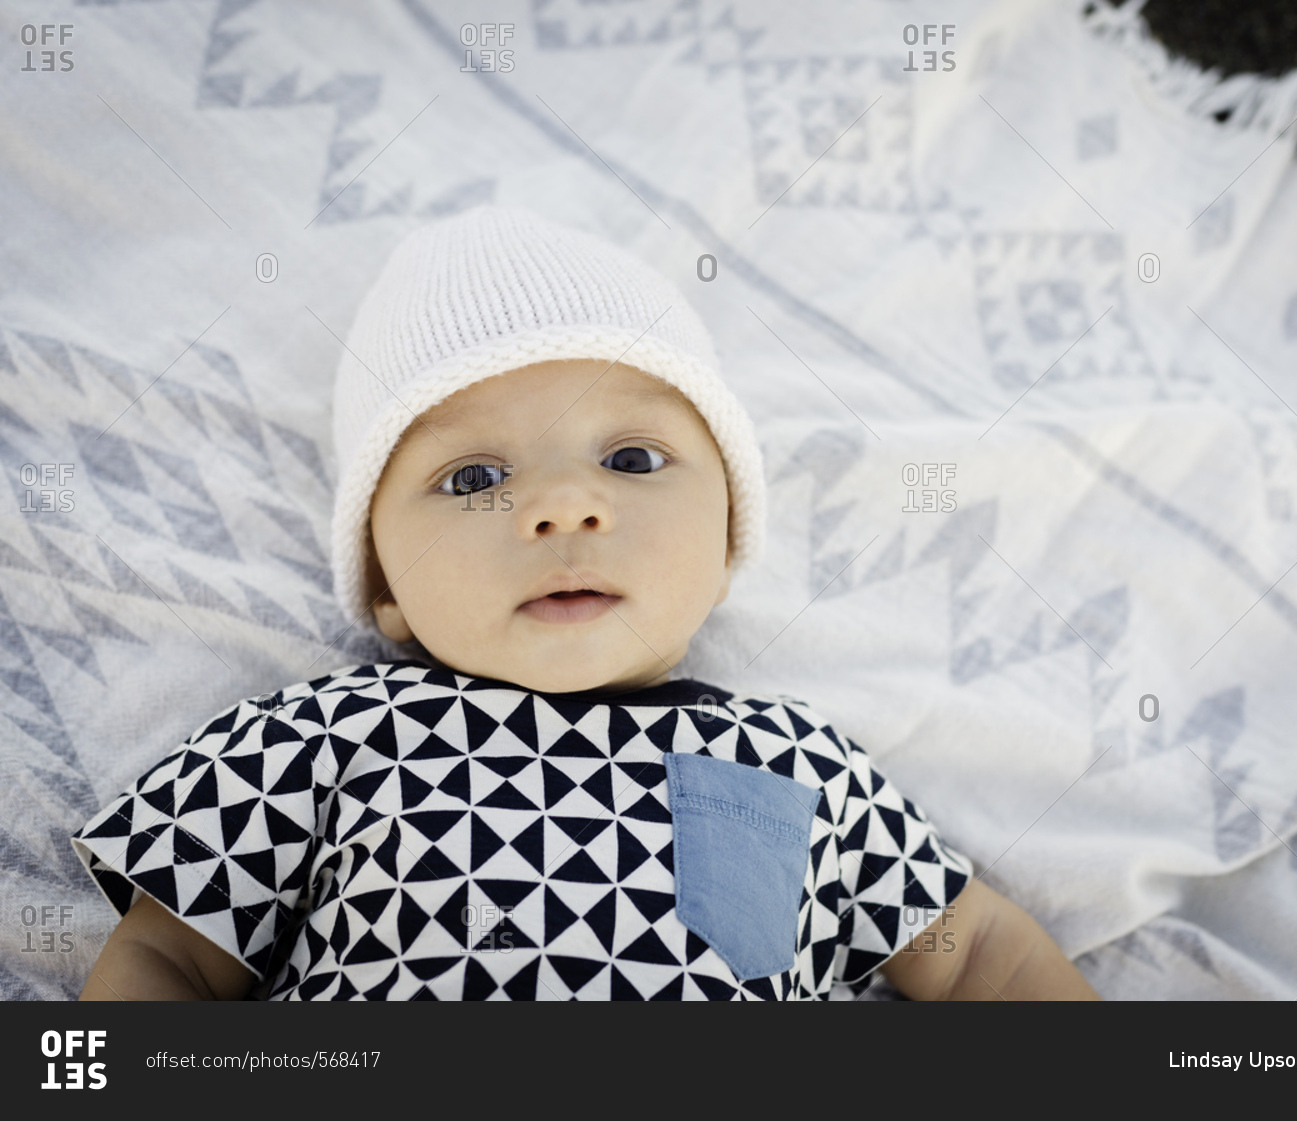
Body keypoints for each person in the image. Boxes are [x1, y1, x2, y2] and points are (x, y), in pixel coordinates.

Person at [74, 206, 1098, 1000]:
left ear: (731, 532)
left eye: (633, 456)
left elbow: (983, 963)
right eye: (474, 479)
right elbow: (167, 955)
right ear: (384, 585)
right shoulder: (331, 733)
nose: (565, 506)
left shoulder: (798, 762)